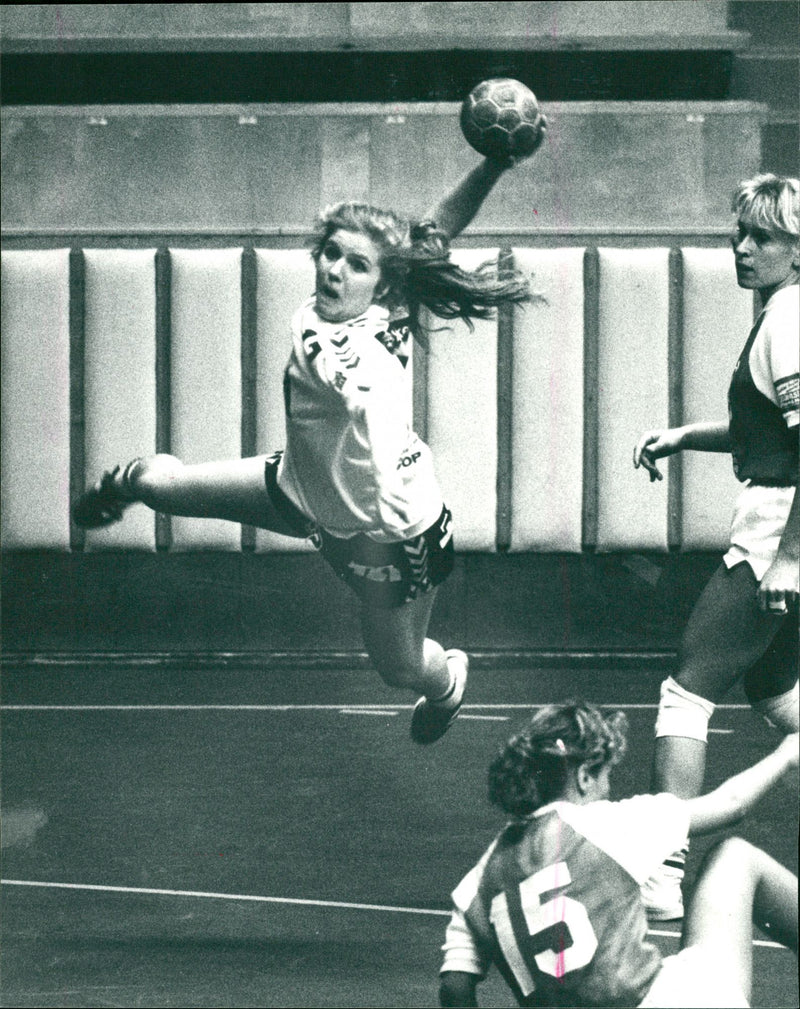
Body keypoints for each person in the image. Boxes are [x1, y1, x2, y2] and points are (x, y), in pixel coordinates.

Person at [71, 128, 547, 746]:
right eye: (331, 253)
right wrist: (492, 163)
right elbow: (439, 226)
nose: (336, 270)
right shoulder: (355, 303)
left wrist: (373, 443)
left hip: (390, 532)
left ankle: (449, 682)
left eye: (357, 264)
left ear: (383, 281)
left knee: (399, 668)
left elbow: (366, 397)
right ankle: (131, 479)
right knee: (162, 486)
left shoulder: (360, 347)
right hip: (301, 486)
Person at [632, 174, 799, 919]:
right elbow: (762, 427)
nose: (742, 246)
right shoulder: (780, 315)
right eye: (740, 233)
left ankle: (662, 871)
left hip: (778, 527)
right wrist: (684, 436)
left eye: (762, 237)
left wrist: (790, 557)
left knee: (688, 688)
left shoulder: (790, 317)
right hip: (777, 519)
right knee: (778, 694)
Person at [438, 701, 799, 1008]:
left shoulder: (477, 882)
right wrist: (786, 754)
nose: (608, 788)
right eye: (606, 774)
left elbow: (455, 987)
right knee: (733, 857)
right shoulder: (603, 823)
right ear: (583, 776)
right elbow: (731, 804)